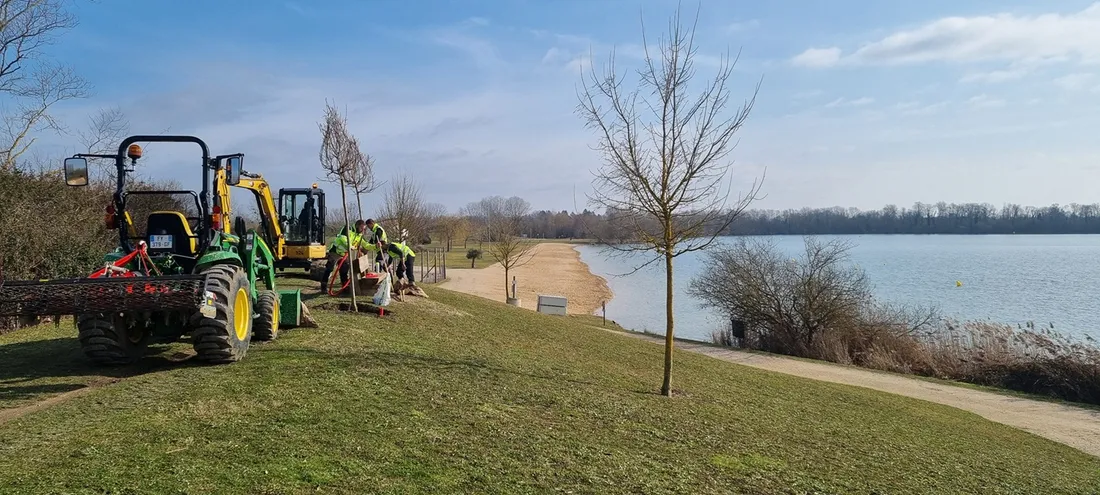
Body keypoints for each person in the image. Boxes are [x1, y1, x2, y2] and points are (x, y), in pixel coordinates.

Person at [320, 220, 366, 293]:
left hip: (344, 253)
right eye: (361, 228)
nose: (362, 230)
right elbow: (342, 238)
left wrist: (376, 246)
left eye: (364, 229)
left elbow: (365, 244)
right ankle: (323, 287)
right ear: (357, 226)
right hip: (336, 251)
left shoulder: (359, 235)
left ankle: (345, 287)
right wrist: (350, 246)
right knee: (329, 268)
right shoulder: (348, 228)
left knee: (344, 269)